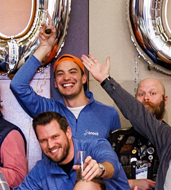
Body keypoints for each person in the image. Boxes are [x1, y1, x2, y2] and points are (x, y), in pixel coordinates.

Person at [12, 110, 131, 190]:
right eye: (43, 140)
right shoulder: (41, 170)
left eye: (55, 137)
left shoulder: (94, 146)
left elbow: (111, 164)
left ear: (68, 132)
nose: (50, 145)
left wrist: (100, 169)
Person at [15, 23, 127, 152]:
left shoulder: (108, 113)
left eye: (72, 72)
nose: (66, 77)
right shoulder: (47, 110)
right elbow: (18, 85)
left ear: (84, 78)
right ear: (55, 83)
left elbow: (115, 158)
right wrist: (45, 47)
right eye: (60, 74)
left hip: (95, 172)